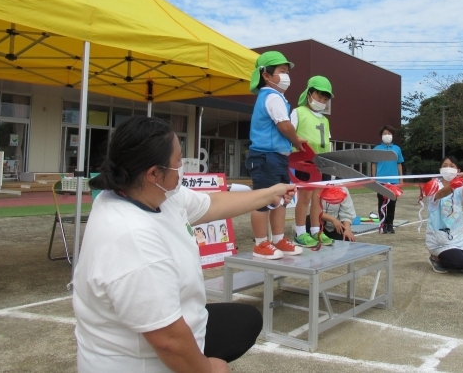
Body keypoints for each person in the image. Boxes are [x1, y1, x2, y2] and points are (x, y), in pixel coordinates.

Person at [74, 116, 295, 373]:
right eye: (178, 160)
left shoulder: (154, 193)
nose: (183, 166)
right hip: (141, 361)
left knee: (245, 321)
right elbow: (168, 340)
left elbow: (212, 205)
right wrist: (209, 369)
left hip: (172, 327)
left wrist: (271, 193)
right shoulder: (132, 238)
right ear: (154, 173)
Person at [245, 51, 307, 259]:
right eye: (282, 71)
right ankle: (261, 244)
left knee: (280, 200)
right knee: (262, 200)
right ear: (266, 75)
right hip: (265, 156)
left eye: (287, 71)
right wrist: (297, 141)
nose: (286, 75)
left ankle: (279, 239)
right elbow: (283, 124)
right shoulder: (271, 96)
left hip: (278, 157)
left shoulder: (277, 96)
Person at [291, 75, 335, 248]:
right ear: (309, 94)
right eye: (319, 97)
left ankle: (316, 230)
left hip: (323, 162)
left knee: (318, 198)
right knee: (305, 197)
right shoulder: (298, 112)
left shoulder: (325, 119)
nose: (322, 101)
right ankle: (300, 232)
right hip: (305, 162)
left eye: (325, 99)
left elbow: (328, 142)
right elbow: (290, 134)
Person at [423, 156, 463, 275]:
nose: (448, 168)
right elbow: (442, 193)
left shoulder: (459, 185)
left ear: (458, 171)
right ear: (440, 170)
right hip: (439, 238)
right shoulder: (433, 185)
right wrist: (456, 182)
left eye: (452, 166)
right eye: (445, 166)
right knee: (461, 263)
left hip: (458, 236)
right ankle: (435, 257)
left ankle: (455, 253)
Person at [370, 125, 404, 234]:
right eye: (385, 133)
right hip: (381, 181)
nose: (387, 135)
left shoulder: (397, 149)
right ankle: (382, 224)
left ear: (392, 135)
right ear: (381, 136)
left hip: (394, 181)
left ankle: (390, 225)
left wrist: (401, 178)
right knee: (382, 203)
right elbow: (373, 165)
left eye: (389, 133)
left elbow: (399, 164)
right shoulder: (377, 149)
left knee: (392, 204)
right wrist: (374, 178)